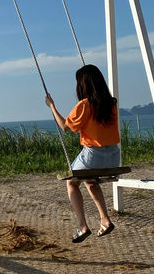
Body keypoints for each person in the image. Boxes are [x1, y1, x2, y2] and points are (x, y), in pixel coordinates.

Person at [45, 64, 120, 243]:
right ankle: (105, 220)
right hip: (114, 156)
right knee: (90, 181)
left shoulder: (85, 105)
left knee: (71, 183)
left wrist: (52, 106)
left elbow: (65, 127)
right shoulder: (112, 103)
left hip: (94, 155)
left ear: (83, 85)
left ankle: (82, 226)